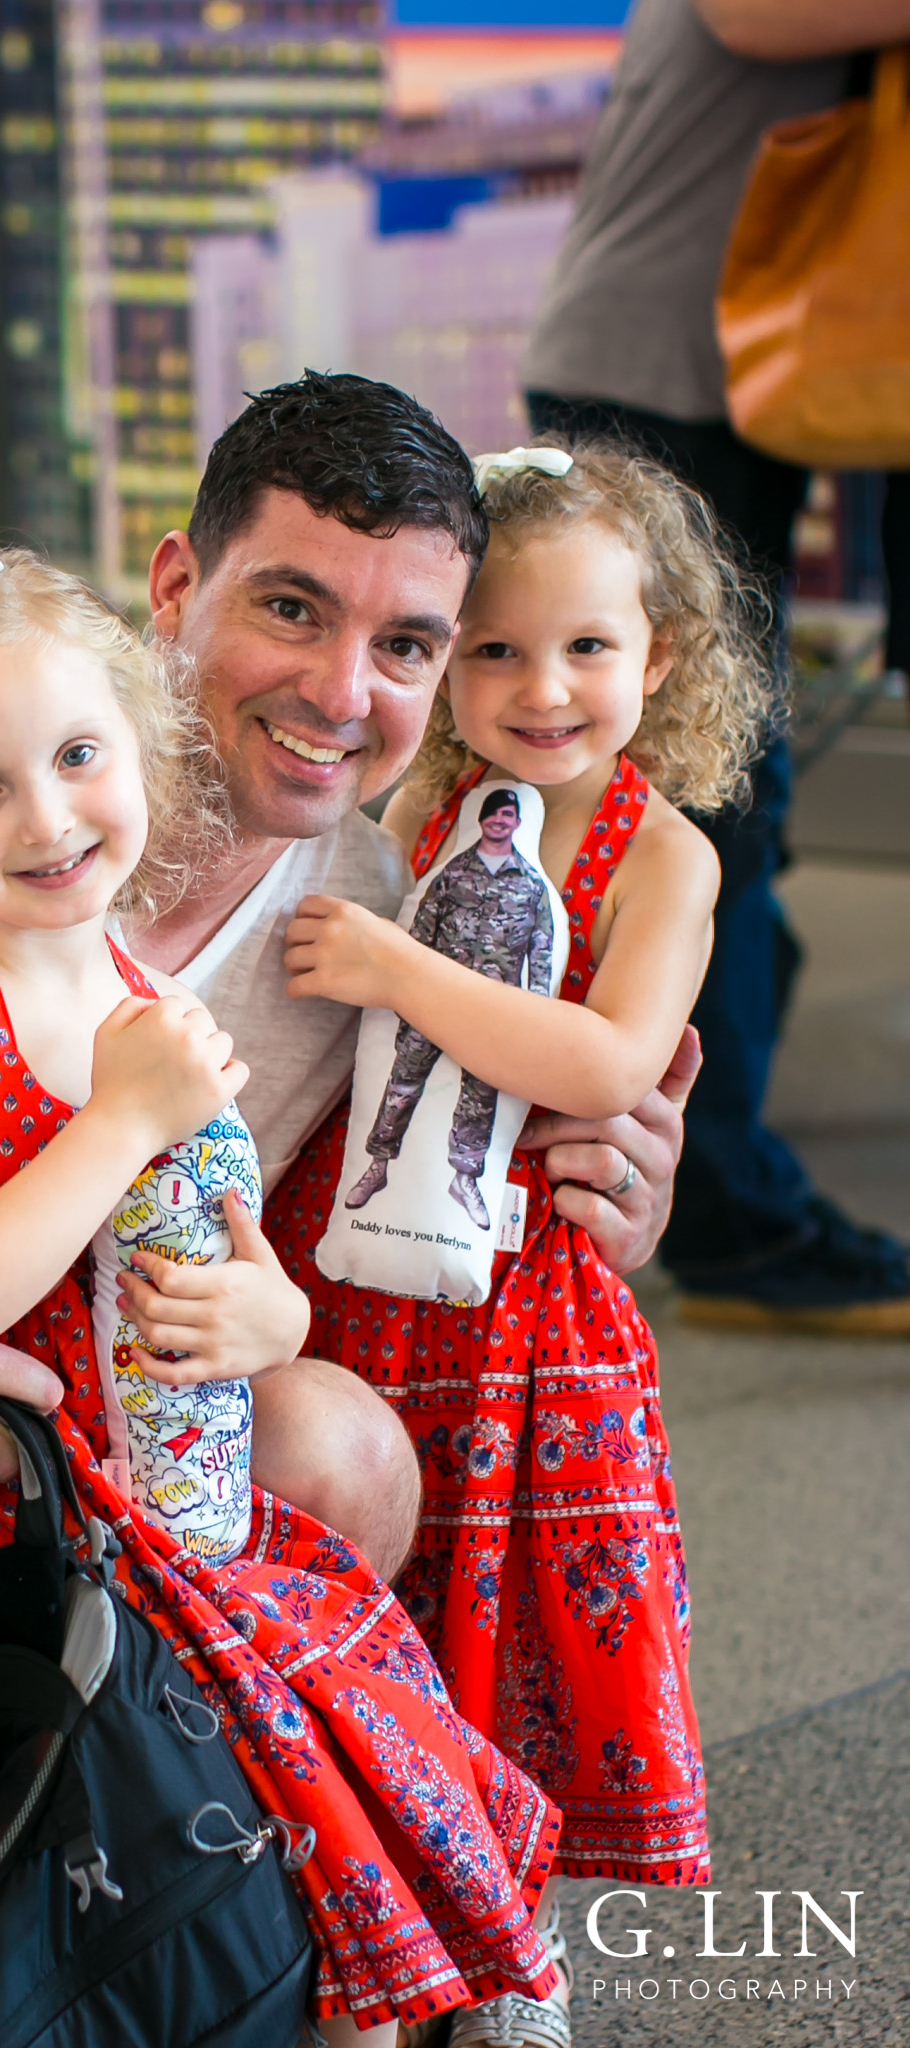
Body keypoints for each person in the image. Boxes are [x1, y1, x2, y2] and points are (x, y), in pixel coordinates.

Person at [0, 373, 688, 1955]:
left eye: (409, 646)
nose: (343, 691)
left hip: (7, 1460)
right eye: (290, 606)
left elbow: (347, 1258)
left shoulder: (362, 922)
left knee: (340, 1450)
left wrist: (606, 1176)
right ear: (174, 586)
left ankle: (137, 1904)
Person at [0, 544, 577, 2045]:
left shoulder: (143, 998)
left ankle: (377, 1990)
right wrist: (119, 1120)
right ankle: (328, 1981)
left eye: (78, 756)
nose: (50, 815)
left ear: (141, 750)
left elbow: (239, 1266)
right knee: (263, 1708)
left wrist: (274, 1326)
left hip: (135, 1479)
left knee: (347, 1669)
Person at [271, 438, 762, 2044]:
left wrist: (397, 974)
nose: (540, 687)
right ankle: (379, 1930)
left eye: (587, 648)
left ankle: (507, 1957)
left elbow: (610, 1065)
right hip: (355, 1273)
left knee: (515, 1627)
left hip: (525, 1309)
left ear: (661, 656)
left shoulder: (659, 850)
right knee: (382, 1619)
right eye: (491, 647)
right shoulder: (412, 804)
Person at [523, 0, 910, 1334]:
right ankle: (735, 1217)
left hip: (728, 373)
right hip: (662, 383)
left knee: (732, 805)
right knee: (707, 817)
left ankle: (707, 1123)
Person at [345, 787, 555, 1226]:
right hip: (427, 1004)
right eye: (492, 814)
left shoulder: (531, 886)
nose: (499, 820)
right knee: (401, 1087)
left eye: (507, 815)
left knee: (479, 1099)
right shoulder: (451, 875)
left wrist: (534, 1023)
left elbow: (541, 955)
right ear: (481, 821)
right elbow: (418, 936)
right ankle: (378, 1166)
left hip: (491, 1017)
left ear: (516, 822)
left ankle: (464, 1179)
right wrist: (403, 1003)